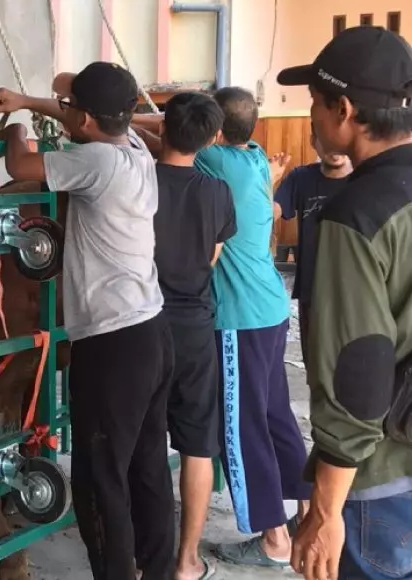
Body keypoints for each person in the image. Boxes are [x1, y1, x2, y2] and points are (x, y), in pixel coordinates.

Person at [0, 61, 175, 580]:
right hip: (154, 330)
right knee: (148, 467)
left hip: (112, 344)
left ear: (87, 120)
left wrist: (16, 125)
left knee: (99, 480)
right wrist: (29, 99)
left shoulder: (90, 161)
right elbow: (83, 118)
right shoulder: (134, 148)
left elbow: (21, 164)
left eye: (70, 107)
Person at [276, 26, 412, 580]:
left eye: (314, 102)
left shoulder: (353, 214)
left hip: (382, 480)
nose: (311, 117)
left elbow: (359, 371)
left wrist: (326, 510)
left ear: (345, 109)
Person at [193, 86, 310, 568]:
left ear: (216, 132)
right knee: (276, 413)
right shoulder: (258, 157)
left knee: (242, 428)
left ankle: (273, 539)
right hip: (272, 306)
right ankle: (306, 512)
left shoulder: (214, 163)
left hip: (240, 315)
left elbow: (168, 137)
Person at [152, 92, 237, 580]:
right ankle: (186, 560)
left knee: (139, 445)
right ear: (213, 140)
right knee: (197, 448)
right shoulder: (217, 192)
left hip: (140, 325)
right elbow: (210, 258)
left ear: (162, 127)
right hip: (195, 329)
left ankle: (147, 556)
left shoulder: (138, 180)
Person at [273, 127, 351, 365]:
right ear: (313, 141)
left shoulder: (367, 178)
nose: (333, 148)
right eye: (325, 140)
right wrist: (269, 180)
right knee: (316, 370)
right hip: (312, 290)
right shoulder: (301, 177)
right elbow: (267, 215)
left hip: (356, 294)